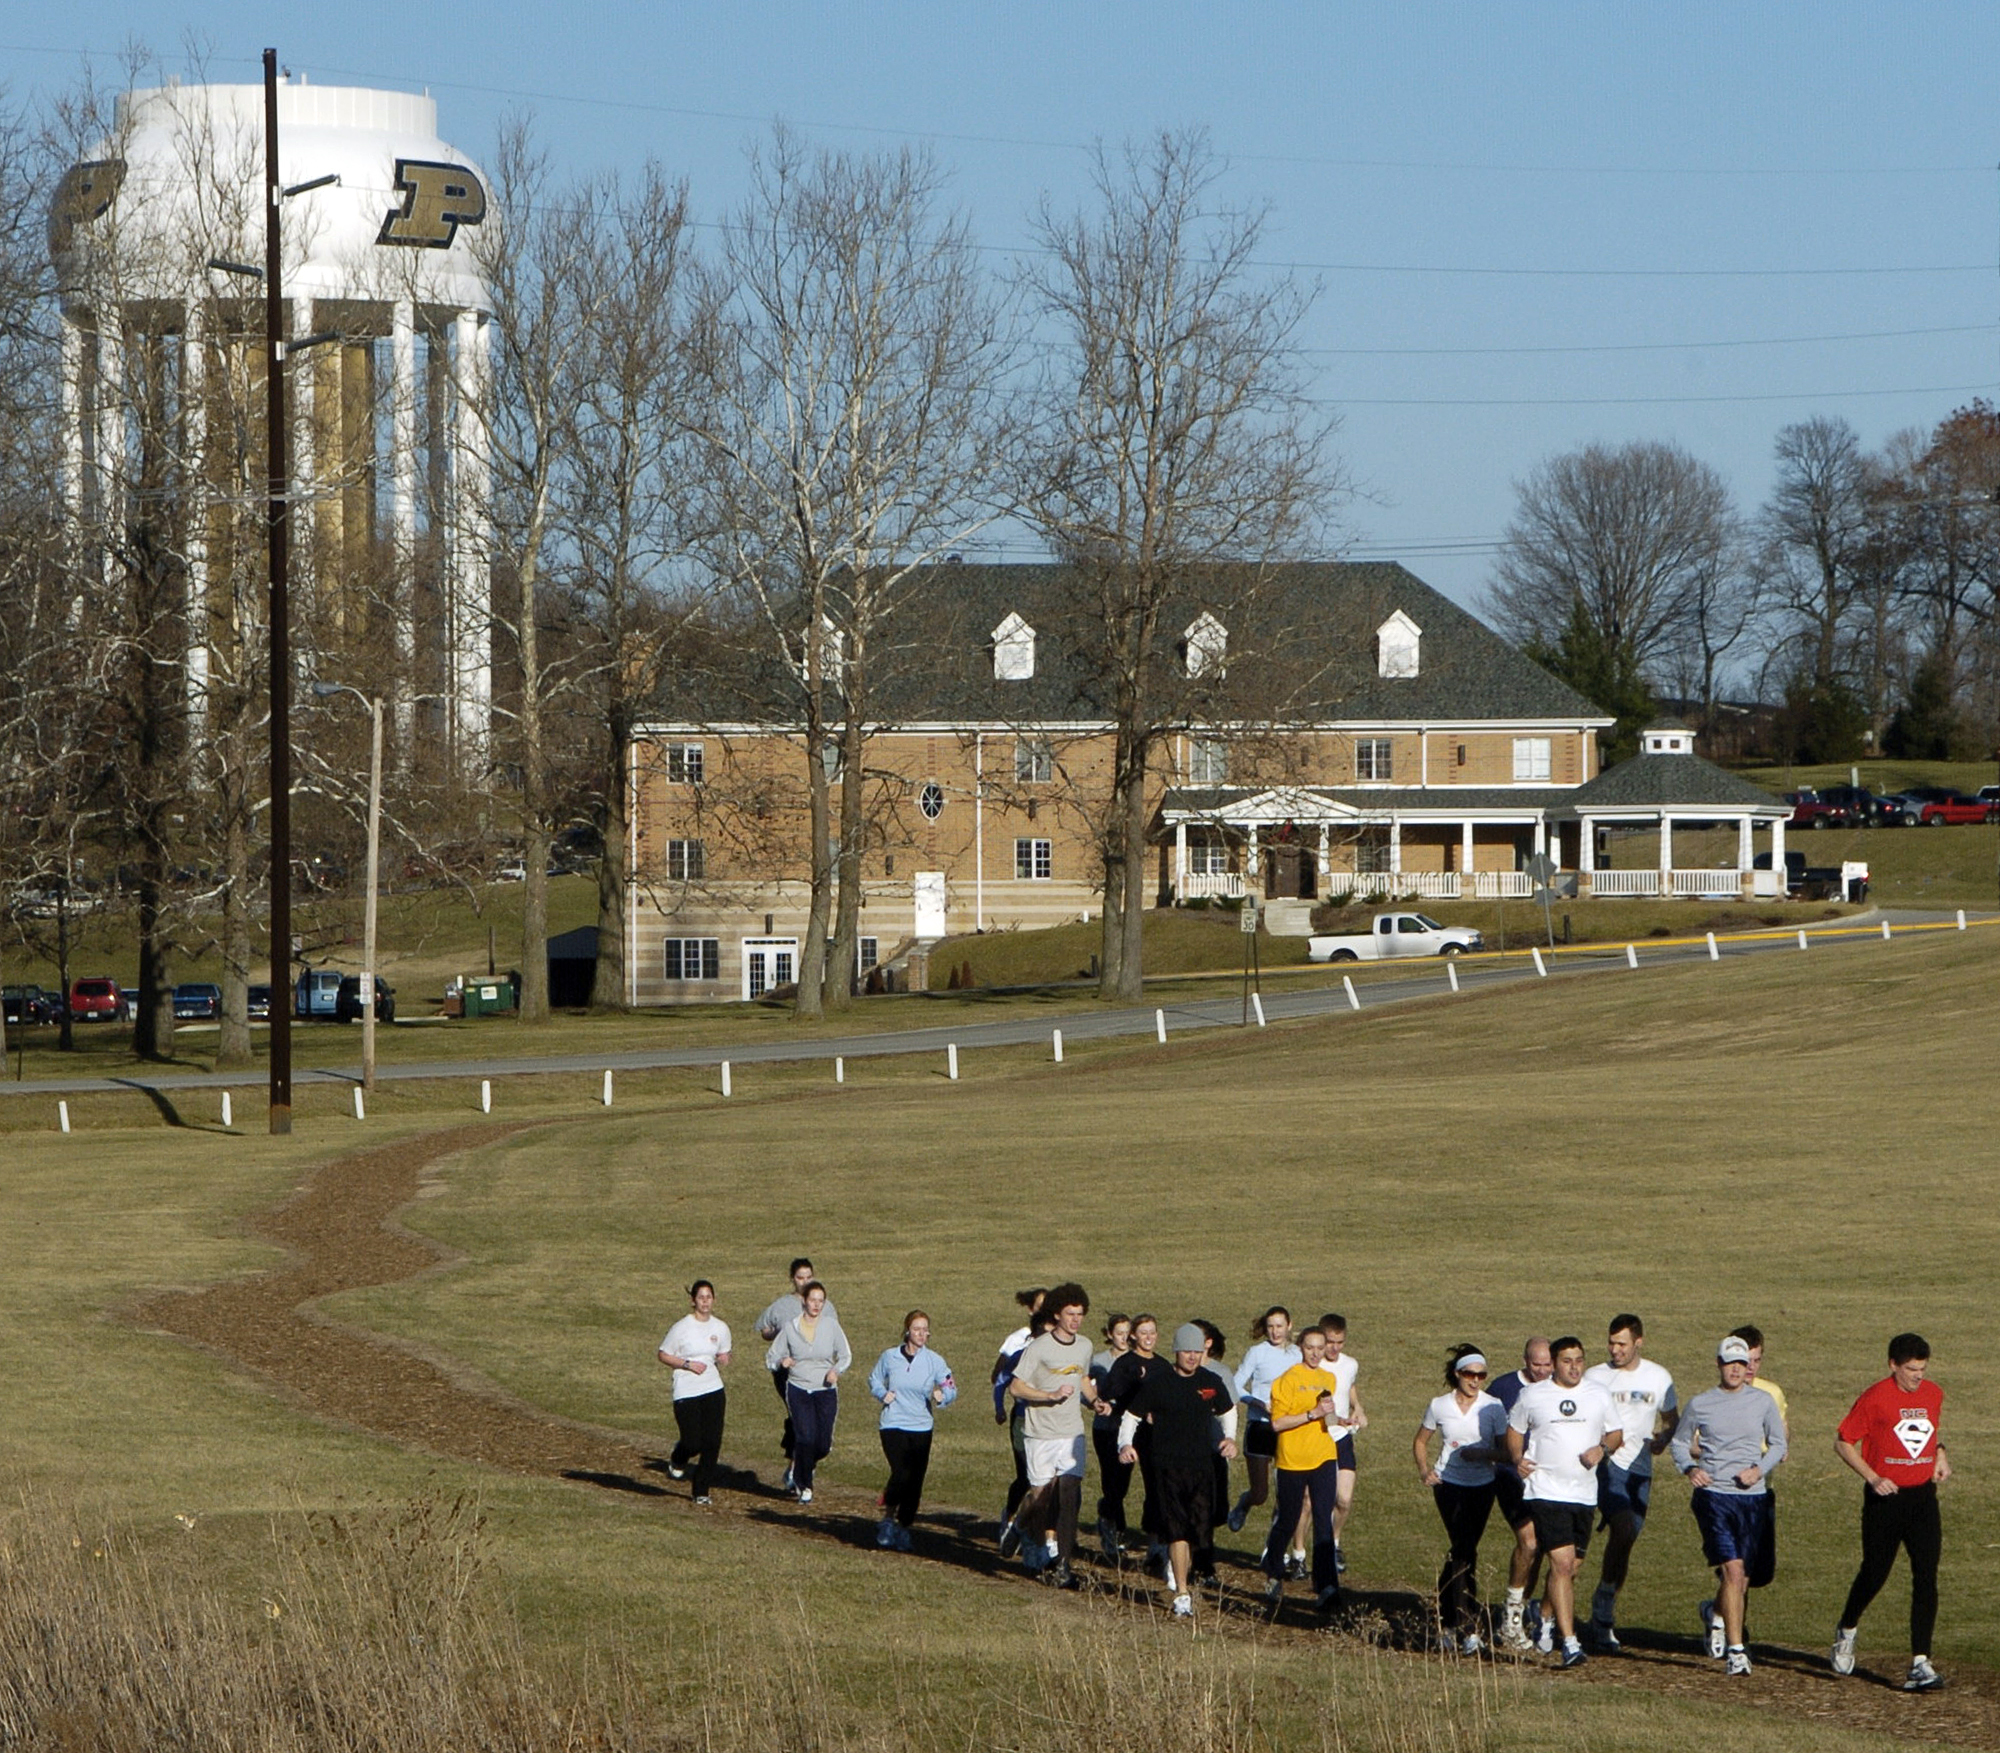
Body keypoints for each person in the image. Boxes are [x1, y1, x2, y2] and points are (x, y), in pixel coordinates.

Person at [1830, 1332, 1951, 1693]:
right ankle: (1847, 1629)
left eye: (1923, 1369)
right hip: (1886, 1500)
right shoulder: (1875, 1398)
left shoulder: (1933, 1393)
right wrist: (1872, 1477)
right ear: (1893, 1365)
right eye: (1911, 1369)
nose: (1918, 1376)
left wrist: (1940, 1454)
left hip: (1923, 1499)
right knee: (1875, 1572)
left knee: (1926, 1576)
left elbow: (1930, 1433)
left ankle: (1920, 1661)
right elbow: (1842, 1440)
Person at [1668, 1334, 1788, 1677]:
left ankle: (1715, 1613)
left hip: (1752, 1498)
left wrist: (1758, 1470)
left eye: (1741, 1364)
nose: (1735, 1370)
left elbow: (1778, 1445)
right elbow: (1679, 1442)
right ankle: (1737, 1651)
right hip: (1714, 1497)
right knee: (1732, 1571)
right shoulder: (1701, 1403)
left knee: (1743, 1579)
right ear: (1718, 1365)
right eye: (1729, 1363)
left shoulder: (1763, 1402)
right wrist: (1690, 1469)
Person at [1504, 1335, 1617, 1669]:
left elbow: (1615, 1433)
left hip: (1584, 1492)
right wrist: (1516, 1458)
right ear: (1554, 1363)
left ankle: (1545, 1615)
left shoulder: (1598, 1394)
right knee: (1563, 1563)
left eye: (1579, 1360)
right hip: (1545, 1490)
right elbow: (1514, 1430)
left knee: (1572, 1567)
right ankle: (1569, 1643)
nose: (1574, 1367)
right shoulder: (1533, 1396)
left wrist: (1603, 1449)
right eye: (1567, 1361)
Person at [1118, 1323, 1238, 1618]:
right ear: (1176, 1351)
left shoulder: (1210, 1382)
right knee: (1177, 1528)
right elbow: (1131, 1416)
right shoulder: (1159, 1382)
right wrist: (1125, 1445)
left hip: (1201, 1466)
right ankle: (1183, 1593)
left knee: (1199, 1528)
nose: (1192, 1357)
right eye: (1187, 1351)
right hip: (1166, 1466)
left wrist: (1230, 1438)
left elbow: (1228, 1410)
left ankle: (1178, 1563)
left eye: (1197, 1351)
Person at [1581, 1313, 1676, 1651]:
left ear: (1638, 1342)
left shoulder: (1659, 1377)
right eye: (1611, 1342)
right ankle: (1598, 1611)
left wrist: (1664, 1439)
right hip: (1604, 1464)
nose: (1615, 1349)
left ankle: (1604, 1598)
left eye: (1621, 1343)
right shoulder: (1595, 1376)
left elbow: (1670, 1418)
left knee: (1627, 1538)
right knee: (1621, 1527)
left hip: (1640, 1466)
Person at [1697, 1323, 1787, 1656]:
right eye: (1741, 1361)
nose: (1748, 1369)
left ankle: (1716, 1613)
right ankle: (1732, 1637)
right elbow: (1694, 1443)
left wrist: (1761, 1464)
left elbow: (1783, 1439)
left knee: (1753, 1575)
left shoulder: (1770, 1395)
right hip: (1722, 1493)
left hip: (1761, 1492)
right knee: (1734, 1570)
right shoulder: (1713, 1400)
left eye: (1755, 1361)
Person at [1007, 1282, 1102, 1587]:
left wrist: (1095, 1401)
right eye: (1070, 1313)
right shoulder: (1038, 1348)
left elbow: (1083, 1377)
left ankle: (1063, 1565)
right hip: (1040, 1434)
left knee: (1069, 1495)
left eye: (1080, 1314)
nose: (1075, 1319)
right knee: (1041, 1501)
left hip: (1071, 1432)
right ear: (1057, 1315)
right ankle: (1021, 1525)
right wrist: (1048, 1395)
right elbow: (1016, 1386)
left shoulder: (1085, 1346)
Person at [1414, 1345, 1507, 1655]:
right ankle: (1467, 1626)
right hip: (1449, 1484)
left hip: (1483, 1485)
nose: (1475, 1380)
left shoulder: (1493, 1407)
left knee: (1463, 1551)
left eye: (1481, 1375)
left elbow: (1507, 1451)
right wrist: (1425, 1470)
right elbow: (1421, 1440)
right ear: (1457, 1374)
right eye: (1470, 1374)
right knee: (1465, 1549)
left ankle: (1446, 1622)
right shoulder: (1439, 1405)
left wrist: (1483, 1454)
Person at [1261, 1324, 1343, 1616]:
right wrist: (1312, 1414)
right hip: (1292, 1459)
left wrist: (1339, 1420)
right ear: (1300, 1348)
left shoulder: (1328, 1378)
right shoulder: (1286, 1380)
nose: (1316, 1353)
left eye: (1321, 1348)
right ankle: (1273, 1572)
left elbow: (1328, 1416)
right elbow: (1277, 1423)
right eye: (1311, 1347)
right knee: (1289, 1518)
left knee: (1324, 1519)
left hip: (1323, 1457)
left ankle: (1327, 1585)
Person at [868, 1310, 958, 1549]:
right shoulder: (889, 1357)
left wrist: (942, 1396)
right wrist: (882, 1394)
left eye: (925, 1329)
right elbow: (874, 1379)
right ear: (907, 1331)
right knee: (901, 1473)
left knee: (915, 1480)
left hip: (921, 1426)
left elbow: (950, 1386)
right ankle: (888, 1519)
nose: (921, 1334)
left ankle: (904, 1525)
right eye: (917, 1329)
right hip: (893, 1423)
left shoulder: (934, 1361)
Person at [1489, 1336, 1553, 1651]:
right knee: (1528, 1542)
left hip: (1549, 1480)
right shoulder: (1502, 1389)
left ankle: (1521, 1607)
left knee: (1541, 1547)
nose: (1542, 1371)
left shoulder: (1560, 1389)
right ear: (1525, 1360)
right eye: (1536, 1365)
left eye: (1547, 1365)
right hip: (1510, 1478)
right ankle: (1511, 1619)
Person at [764, 1281, 850, 1504]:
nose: (817, 1305)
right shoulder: (791, 1327)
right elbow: (771, 1357)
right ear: (804, 1300)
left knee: (822, 1444)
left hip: (825, 1389)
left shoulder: (831, 1326)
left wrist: (835, 1370)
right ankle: (804, 1484)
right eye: (813, 1300)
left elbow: (845, 1355)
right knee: (805, 1437)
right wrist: (783, 1361)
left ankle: (803, 1466)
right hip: (798, 1388)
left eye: (821, 1301)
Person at [756, 1258, 835, 1488]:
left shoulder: (825, 1306)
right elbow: (765, 1329)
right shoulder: (783, 1305)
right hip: (789, 1372)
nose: (805, 1282)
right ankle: (796, 1468)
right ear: (792, 1279)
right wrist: (778, 1337)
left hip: (818, 1371)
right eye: (800, 1277)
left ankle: (801, 1460)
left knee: (816, 1422)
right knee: (800, 1416)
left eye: (808, 1277)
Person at [1102, 1313, 1170, 1563]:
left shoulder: (1163, 1365)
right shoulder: (1126, 1363)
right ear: (1133, 1336)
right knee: (1118, 1486)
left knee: (1156, 1487)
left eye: (1152, 1332)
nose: (1148, 1337)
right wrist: (1133, 1379)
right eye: (1143, 1333)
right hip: (1125, 1432)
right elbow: (1109, 1391)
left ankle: (1155, 1545)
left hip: (1153, 1435)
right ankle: (1108, 1527)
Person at [657, 1280, 732, 1505]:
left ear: (714, 1299)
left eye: (709, 1297)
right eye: (701, 1297)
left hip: (713, 1388)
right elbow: (663, 1354)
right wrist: (686, 1364)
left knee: (712, 1442)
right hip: (687, 1389)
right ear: (693, 1301)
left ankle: (701, 1491)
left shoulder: (720, 1327)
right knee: (692, 1442)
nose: (705, 1302)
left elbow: (723, 1352)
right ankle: (678, 1459)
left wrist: (724, 1358)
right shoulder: (682, 1327)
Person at [1230, 1307, 1301, 1534]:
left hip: (1288, 1427)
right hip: (1260, 1426)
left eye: (1279, 1326)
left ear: (1289, 1326)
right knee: (1260, 1493)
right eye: (1270, 1326)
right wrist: (1258, 1402)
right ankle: (1245, 1503)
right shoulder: (1257, 1352)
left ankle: (1273, 1546)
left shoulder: (1298, 1355)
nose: (1275, 1332)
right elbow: (1235, 1385)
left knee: (1285, 1492)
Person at [992, 1288, 1046, 1554]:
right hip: (1023, 1417)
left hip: (1050, 1422)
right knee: (1027, 1476)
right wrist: (999, 1407)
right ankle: (1012, 1517)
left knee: (1048, 1481)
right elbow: (999, 1378)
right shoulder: (1018, 1343)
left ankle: (1039, 1535)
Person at [1318, 1314, 1368, 1573]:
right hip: (1317, 1437)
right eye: (1330, 1342)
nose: (1335, 1348)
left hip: (1342, 1437)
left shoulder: (1350, 1364)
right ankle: (1298, 1552)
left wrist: (1358, 1408)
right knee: (1308, 1502)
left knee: (1344, 1499)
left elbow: (1349, 1388)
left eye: (1340, 1342)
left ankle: (1334, 1543)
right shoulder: (1313, 1365)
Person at [1090, 1312, 1134, 1560]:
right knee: (1111, 1480)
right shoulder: (1099, 1361)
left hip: (1128, 1430)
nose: (1124, 1338)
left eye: (1128, 1333)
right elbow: (1087, 1390)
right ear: (1109, 1335)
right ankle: (1117, 1532)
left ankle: (1106, 1513)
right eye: (1119, 1333)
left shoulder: (1136, 1360)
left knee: (1122, 1483)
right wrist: (1095, 1403)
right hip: (1105, 1428)